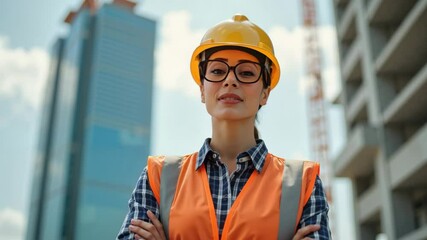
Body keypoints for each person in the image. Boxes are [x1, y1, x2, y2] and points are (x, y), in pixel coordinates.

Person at [117, 14, 331, 240]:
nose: (230, 80)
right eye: (218, 71)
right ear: (202, 89)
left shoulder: (302, 183)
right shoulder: (158, 177)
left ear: (265, 93)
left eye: (247, 72)